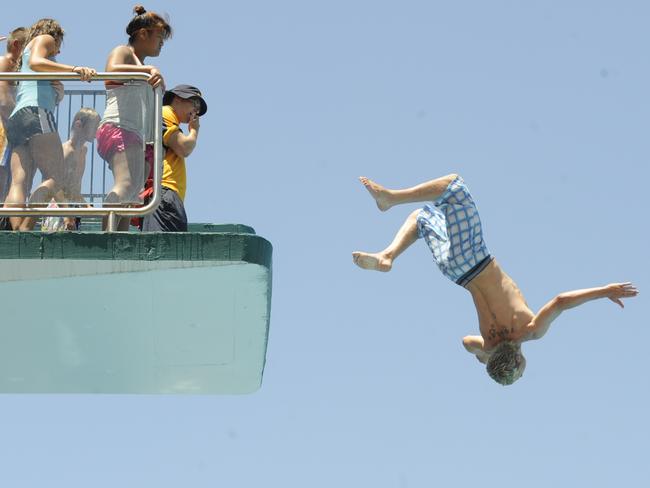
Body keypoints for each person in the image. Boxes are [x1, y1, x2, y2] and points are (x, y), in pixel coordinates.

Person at [352, 174, 639, 385]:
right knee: (422, 217)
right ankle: (387, 255)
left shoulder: (530, 330)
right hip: (455, 272)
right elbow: (466, 342)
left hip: (475, 258)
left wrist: (605, 291)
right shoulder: (486, 345)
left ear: (517, 360)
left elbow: (560, 301)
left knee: (454, 187)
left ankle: (390, 198)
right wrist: (487, 355)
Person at [2, 18, 95, 231]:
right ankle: (27, 227)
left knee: (19, 181)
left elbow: (38, 72)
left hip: (18, 118)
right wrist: (74, 69)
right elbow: (37, 62)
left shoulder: (24, 53)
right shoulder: (45, 39)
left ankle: (16, 230)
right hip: (37, 112)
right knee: (56, 176)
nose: (58, 50)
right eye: (59, 44)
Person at [97, 4, 172, 230]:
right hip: (120, 126)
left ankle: (118, 238)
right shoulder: (124, 51)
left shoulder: (141, 64)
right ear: (142, 34)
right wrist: (148, 71)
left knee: (133, 195)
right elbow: (110, 70)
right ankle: (106, 235)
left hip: (136, 133)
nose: (162, 42)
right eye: (159, 36)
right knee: (126, 184)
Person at [141, 84, 206, 232]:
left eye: (199, 109)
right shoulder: (165, 112)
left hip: (166, 194)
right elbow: (184, 147)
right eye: (194, 103)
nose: (196, 111)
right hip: (165, 193)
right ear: (177, 98)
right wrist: (194, 131)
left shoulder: (169, 118)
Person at [59, 107, 100, 229]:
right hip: (60, 210)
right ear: (78, 125)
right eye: (94, 126)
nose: (97, 132)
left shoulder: (83, 151)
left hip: (72, 209)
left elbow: (74, 187)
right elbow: (56, 186)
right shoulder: (66, 151)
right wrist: (66, 216)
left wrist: (86, 206)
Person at [0, 27, 27, 203]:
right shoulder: (4, 62)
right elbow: (3, 99)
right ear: (16, 45)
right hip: (4, 127)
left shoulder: (17, 68)